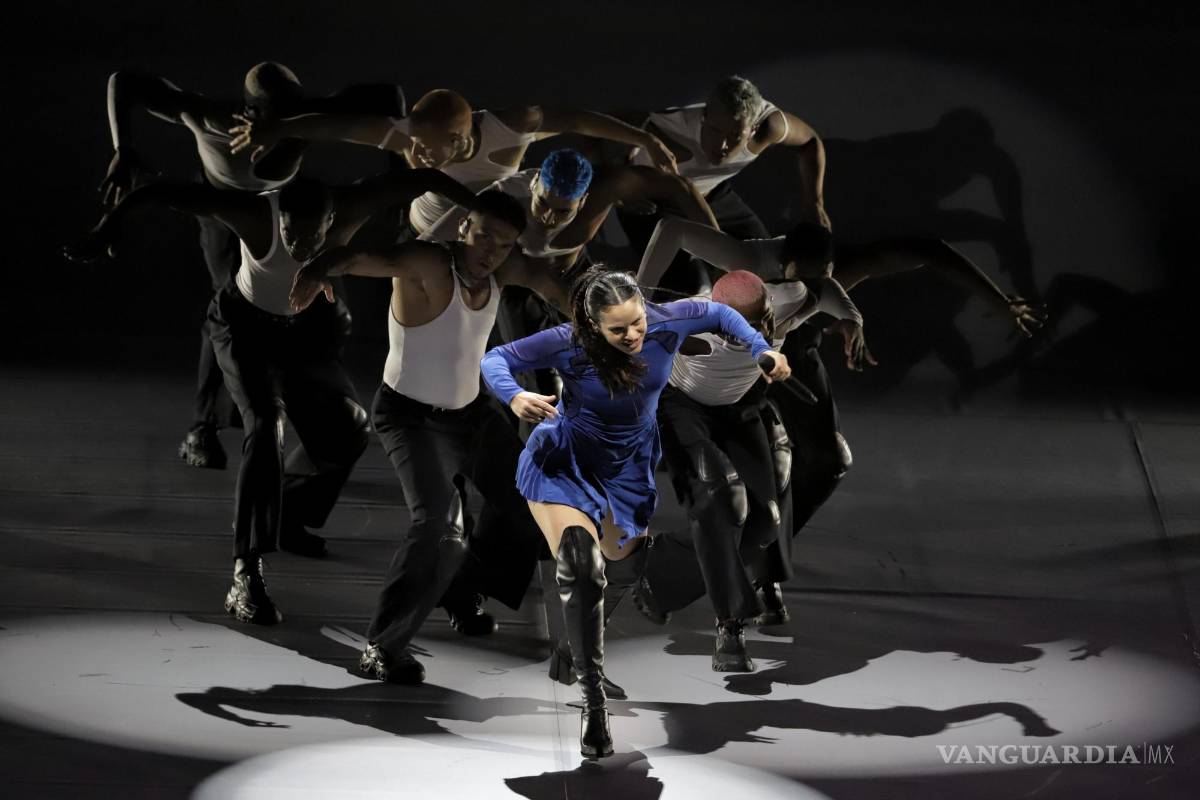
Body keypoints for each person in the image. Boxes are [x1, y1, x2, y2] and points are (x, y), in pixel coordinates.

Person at [65, 168, 480, 623]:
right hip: (245, 328)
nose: (301, 245)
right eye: (292, 233)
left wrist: (482, 218)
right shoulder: (253, 214)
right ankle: (245, 571)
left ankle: (287, 516)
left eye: (311, 237)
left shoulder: (354, 205)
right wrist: (108, 225)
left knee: (350, 428)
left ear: (329, 223)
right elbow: (164, 190)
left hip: (304, 330)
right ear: (280, 218)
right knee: (265, 427)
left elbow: (423, 176)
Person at [636, 217, 1042, 622]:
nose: (813, 287)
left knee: (827, 461)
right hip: (727, 373)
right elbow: (675, 231)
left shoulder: (829, 277)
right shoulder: (750, 265)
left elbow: (928, 249)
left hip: (791, 365)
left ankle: (750, 564)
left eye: (822, 278)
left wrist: (1001, 304)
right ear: (783, 266)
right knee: (751, 475)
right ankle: (700, 571)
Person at [480, 267, 790, 758]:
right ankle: (593, 701)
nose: (633, 335)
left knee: (621, 565)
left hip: (627, 468)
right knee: (581, 569)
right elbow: (499, 356)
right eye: (619, 329)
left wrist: (762, 350)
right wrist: (514, 394)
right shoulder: (569, 341)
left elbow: (723, 313)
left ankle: (571, 652)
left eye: (638, 323)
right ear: (592, 325)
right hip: (565, 459)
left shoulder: (670, 321)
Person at [288, 190, 576, 685]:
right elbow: (363, 257)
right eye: (484, 235)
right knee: (441, 529)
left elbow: (555, 286)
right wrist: (320, 267)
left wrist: (615, 328)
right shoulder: (428, 262)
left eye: (503, 245)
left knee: (539, 501)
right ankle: (382, 647)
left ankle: (462, 590)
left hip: (473, 415)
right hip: (413, 418)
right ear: (465, 226)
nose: (490, 252)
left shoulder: (502, 270)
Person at [102, 62, 406, 469]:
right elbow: (125, 81)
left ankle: (301, 402)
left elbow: (387, 94)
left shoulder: (305, 115)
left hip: (280, 208)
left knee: (320, 293)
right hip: (224, 209)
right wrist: (124, 149)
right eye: (276, 120)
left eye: (293, 119)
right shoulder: (209, 116)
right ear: (251, 114)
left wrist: (398, 166)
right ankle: (203, 427)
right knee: (228, 305)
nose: (286, 127)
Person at [636, 267, 867, 671]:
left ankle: (659, 574)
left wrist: (852, 320)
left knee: (765, 521)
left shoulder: (786, 302)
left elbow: (825, 287)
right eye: (740, 326)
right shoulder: (683, 320)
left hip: (741, 409)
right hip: (683, 410)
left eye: (763, 320)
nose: (758, 331)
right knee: (718, 502)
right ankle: (730, 625)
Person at [227, 89, 679, 238]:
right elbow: (334, 126)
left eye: (428, 147)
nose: (415, 153)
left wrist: (644, 139)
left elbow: (577, 118)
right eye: (414, 142)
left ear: (460, 139)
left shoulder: (513, 127)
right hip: (425, 227)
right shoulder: (404, 135)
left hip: (485, 234)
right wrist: (276, 128)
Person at [618, 75, 829, 295]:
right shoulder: (667, 128)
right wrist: (618, 193)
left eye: (734, 136)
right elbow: (594, 129)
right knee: (694, 288)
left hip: (713, 194)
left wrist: (815, 202)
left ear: (753, 129)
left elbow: (810, 141)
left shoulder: (770, 127)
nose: (722, 145)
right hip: (653, 204)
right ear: (704, 115)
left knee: (771, 273)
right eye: (714, 131)